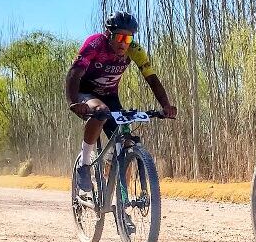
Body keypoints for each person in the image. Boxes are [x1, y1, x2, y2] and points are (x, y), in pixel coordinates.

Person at [65, 11, 177, 193]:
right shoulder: (95, 43)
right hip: (85, 93)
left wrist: (165, 105)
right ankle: (84, 165)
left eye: (128, 38)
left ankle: (122, 208)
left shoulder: (135, 50)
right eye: (119, 37)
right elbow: (74, 73)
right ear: (109, 34)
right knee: (101, 110)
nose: (124, 43)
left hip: (110, 95)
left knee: (125, 142)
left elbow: (152, 79)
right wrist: (73, 102)